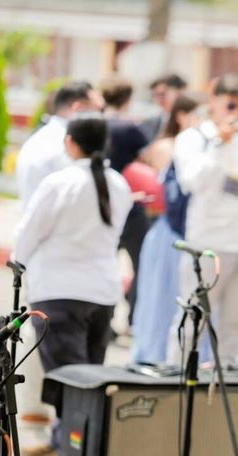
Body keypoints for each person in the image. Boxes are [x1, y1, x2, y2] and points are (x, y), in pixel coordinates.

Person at [14, 115, 133, 456]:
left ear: (70, 142)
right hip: (101, 291)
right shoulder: (118, 183)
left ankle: (70, 450)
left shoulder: (61, 181)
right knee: (88, 377)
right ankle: (71, 444)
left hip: (59, 290)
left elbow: (30, 231)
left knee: (65, 378)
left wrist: (16, 262)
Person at [168, 74, 238, 367]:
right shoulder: (194, 138)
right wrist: (218, 145)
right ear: (213, 102)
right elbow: (191, 182)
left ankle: (227, 378)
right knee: (193, 317)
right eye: (231, 104)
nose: (236, 112)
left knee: (236, 323)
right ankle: (178, 375)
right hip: (207, 243)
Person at [130, 95, 200, 365]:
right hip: (168, 233)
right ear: (181, 115)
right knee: (160, 299)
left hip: (188, 233)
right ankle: (152, 358)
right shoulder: (167, 146)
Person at [101, 75, 154, 325]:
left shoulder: (95, 124)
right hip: (131, 204)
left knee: (104, 262)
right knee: (140, 263)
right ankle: (134, 317)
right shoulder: (131, 129)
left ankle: (105, 317)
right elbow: (148, 160)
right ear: (128, 99)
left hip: (100, 204)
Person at [16, 80, 103, 209]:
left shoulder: (43, 137)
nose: (102, 117)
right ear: (78, 108)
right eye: (98, 110)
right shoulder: (65, 144)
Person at [139, 73, 188, 143]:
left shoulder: (193, 119)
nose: (159, 99)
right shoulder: (151, 122)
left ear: (180, 91)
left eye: (162, 94)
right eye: (155, 95)